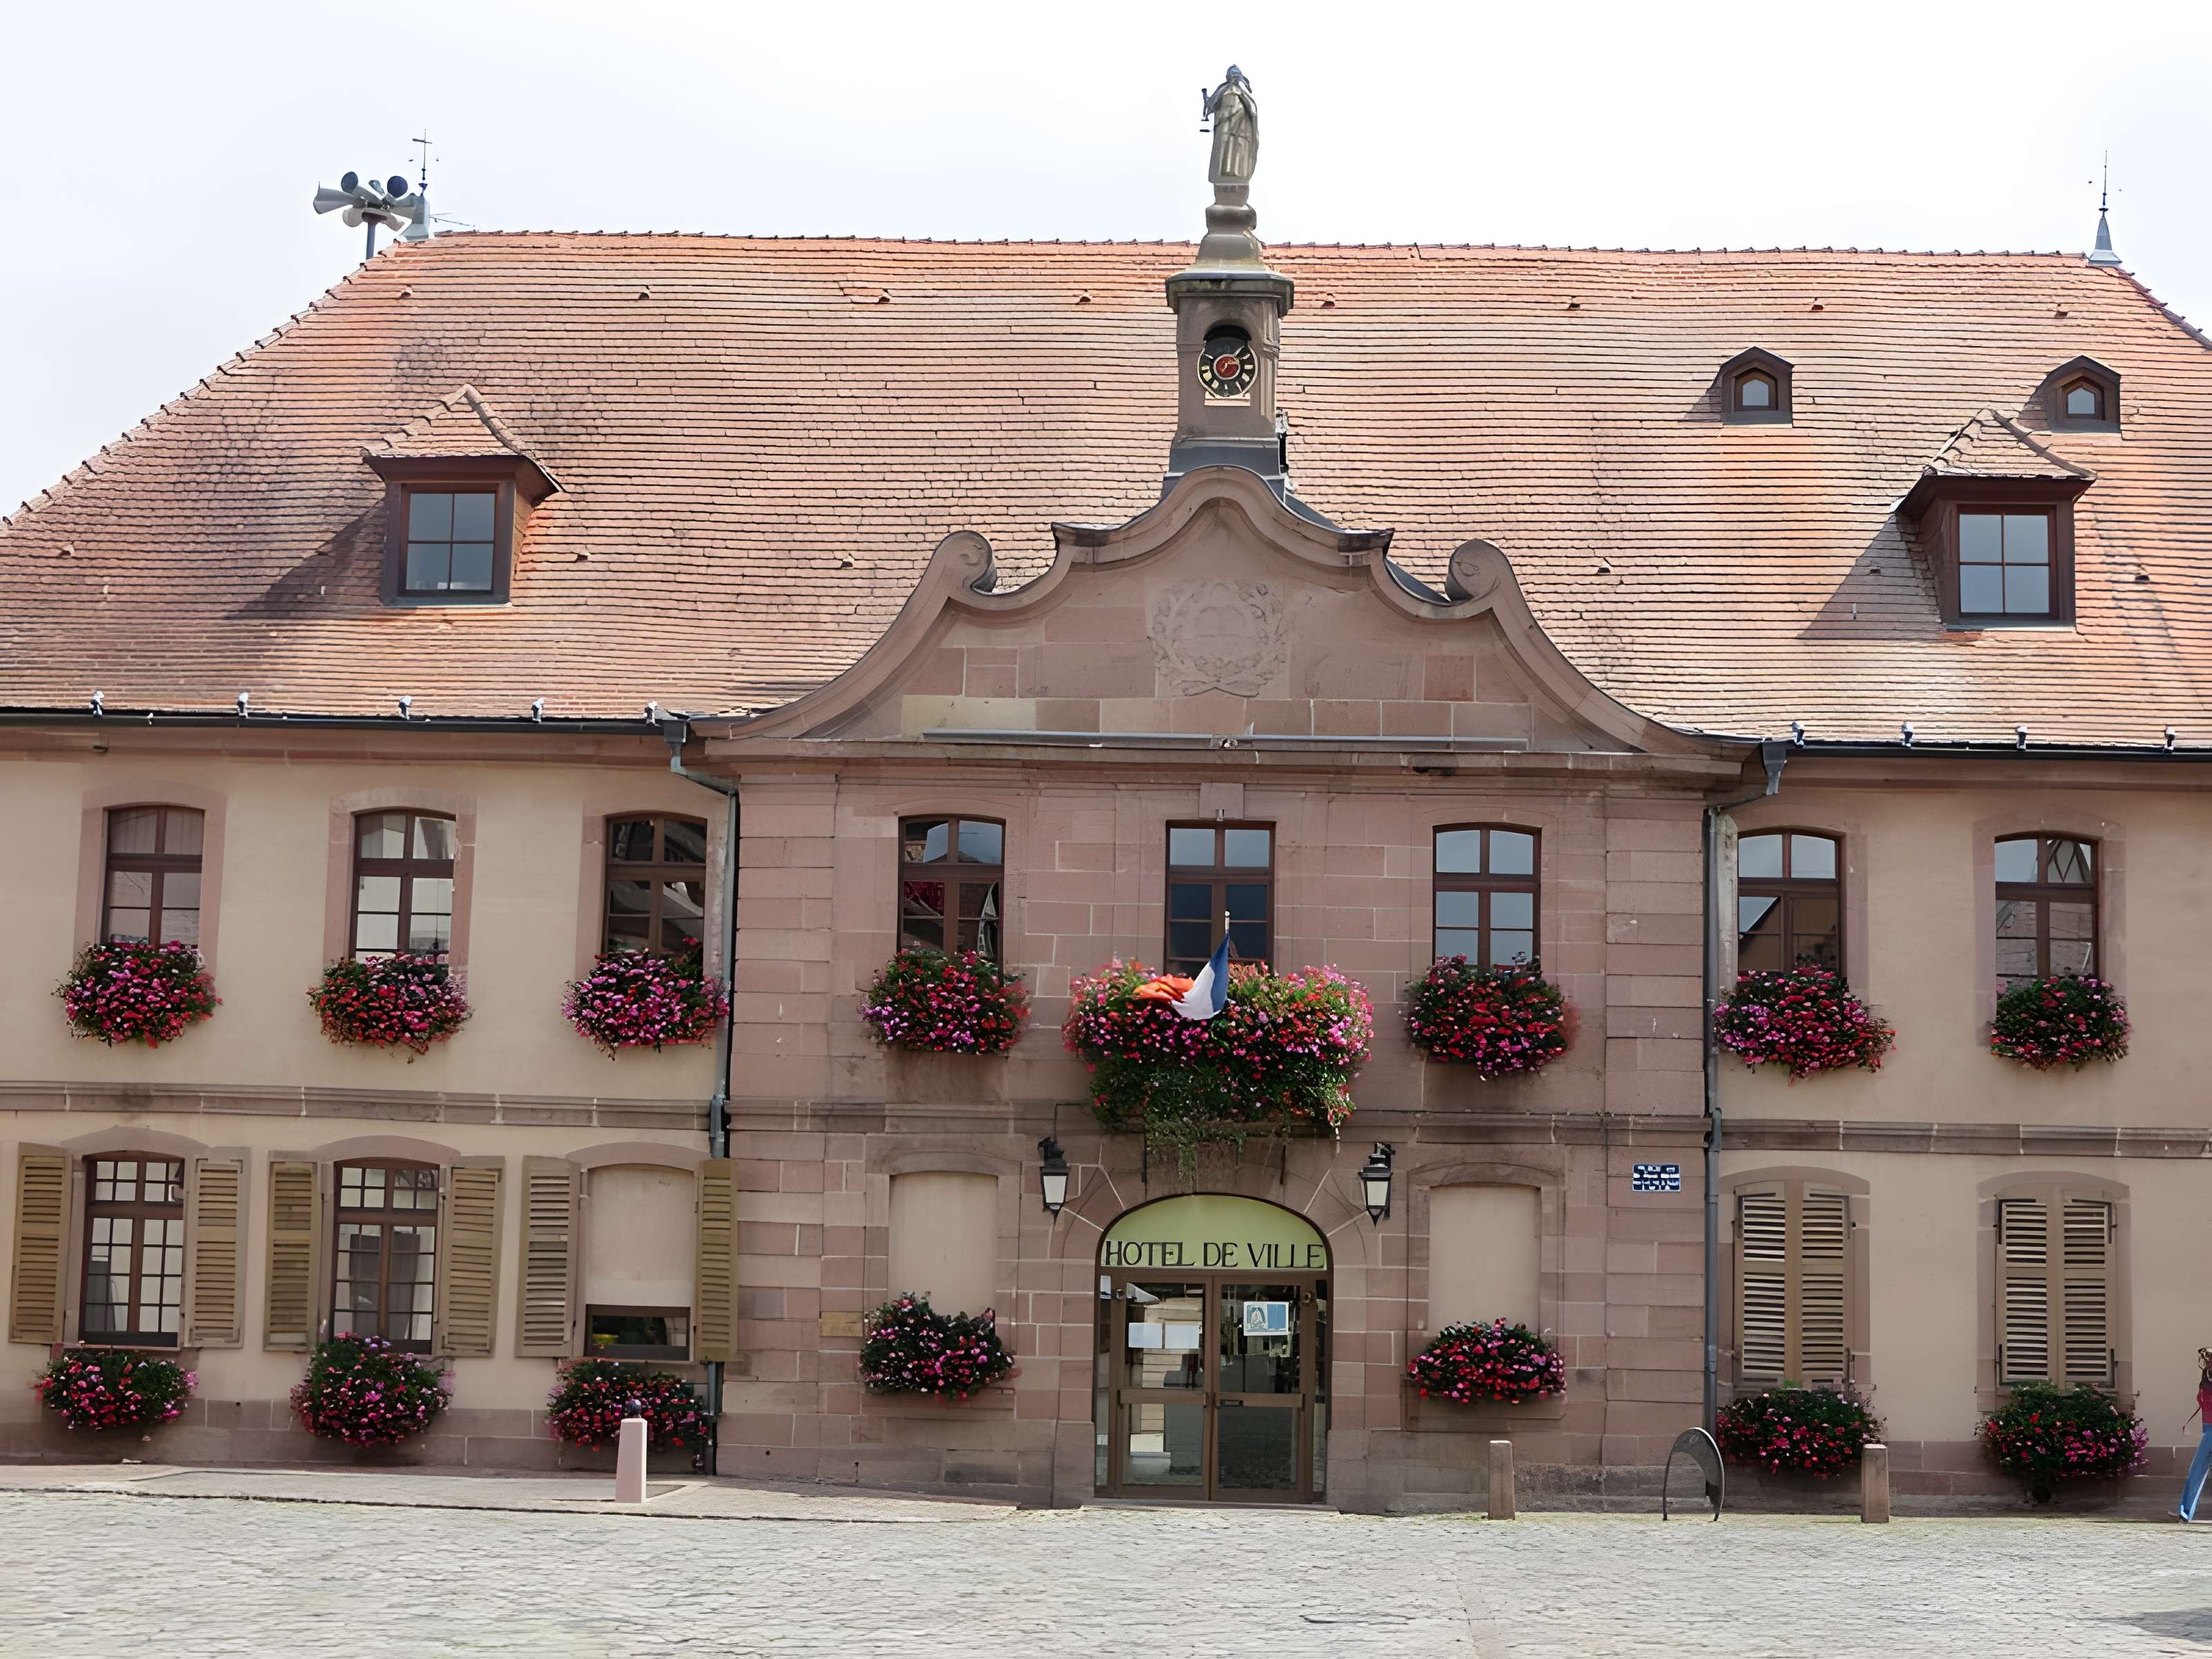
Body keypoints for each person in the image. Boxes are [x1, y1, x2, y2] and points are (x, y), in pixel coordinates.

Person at [2181, 1348, 2212, 1521]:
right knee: (2196, 1472)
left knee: (2196, 1471)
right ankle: (2185, 1512)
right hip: (2208, 1429)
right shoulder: (2206, 1380)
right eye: (2207, 1359)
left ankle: (2185, 1511)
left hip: (2210, 1431)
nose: (2208, 1362)